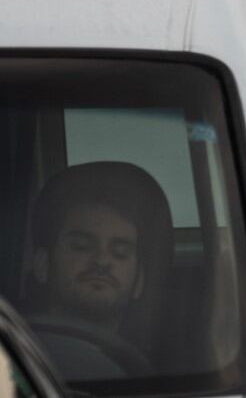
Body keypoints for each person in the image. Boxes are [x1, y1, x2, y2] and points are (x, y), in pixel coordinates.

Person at [25, 162, 171, 380]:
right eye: (81, 246)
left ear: (139, 281)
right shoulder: (13, 356)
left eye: (120, 252)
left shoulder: (165, 371)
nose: (102, 261)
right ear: (42, 264)